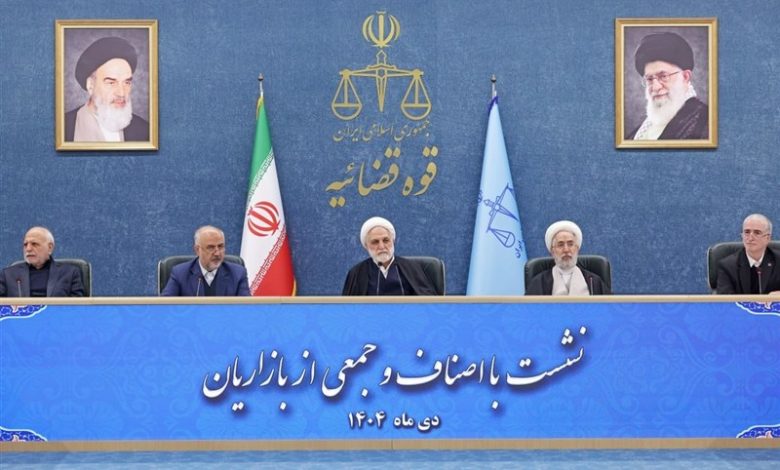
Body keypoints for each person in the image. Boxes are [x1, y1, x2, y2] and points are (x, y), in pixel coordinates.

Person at [64, 36, 149, 142]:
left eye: (127, 82)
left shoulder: (144, 130)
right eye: (111, 83)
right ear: (90, 85)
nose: (121, 93)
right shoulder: (63, 127)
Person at [628, 32, 708, 140]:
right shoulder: (640, 131)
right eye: (650, 79)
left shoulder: (706, 122)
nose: (655, 87)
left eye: (663, 76)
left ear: (685, 77)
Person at [342, 216, 440, 295]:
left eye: (386, 240)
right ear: (366, 246)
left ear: (393, 241)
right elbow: (348, 310)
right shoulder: (356, 273)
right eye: (375, 242)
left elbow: (429, 305)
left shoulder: (412, 268)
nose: (381, 246)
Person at [161, 226, 250, 296]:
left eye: (220, 246)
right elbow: (164, 307)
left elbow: (246, 309)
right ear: (197, 250)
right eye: (210, 247)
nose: (217, 253)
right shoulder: (180, 273)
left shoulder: (237, 273)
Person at [526, 220, 609, 296]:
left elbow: (610, 306)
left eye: (570, 244)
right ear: (552, 251)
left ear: (577, 248)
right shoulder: (539, 282)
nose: (566, 250)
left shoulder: (593, 282)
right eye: (560, 245)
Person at [0, 227, 85, 297]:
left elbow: (78, 306)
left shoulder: (70, 273)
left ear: (50, 248)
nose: (28, 249)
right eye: (25, 244)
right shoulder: (8, 275)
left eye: (34, 244)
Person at [716, 214, 780, 295]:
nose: (750, 238)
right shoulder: (728, 266)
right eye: (747, 232)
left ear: (768, 238)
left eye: (757, 233)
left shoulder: (778, 261)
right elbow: (725, 299)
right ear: (742, 236)